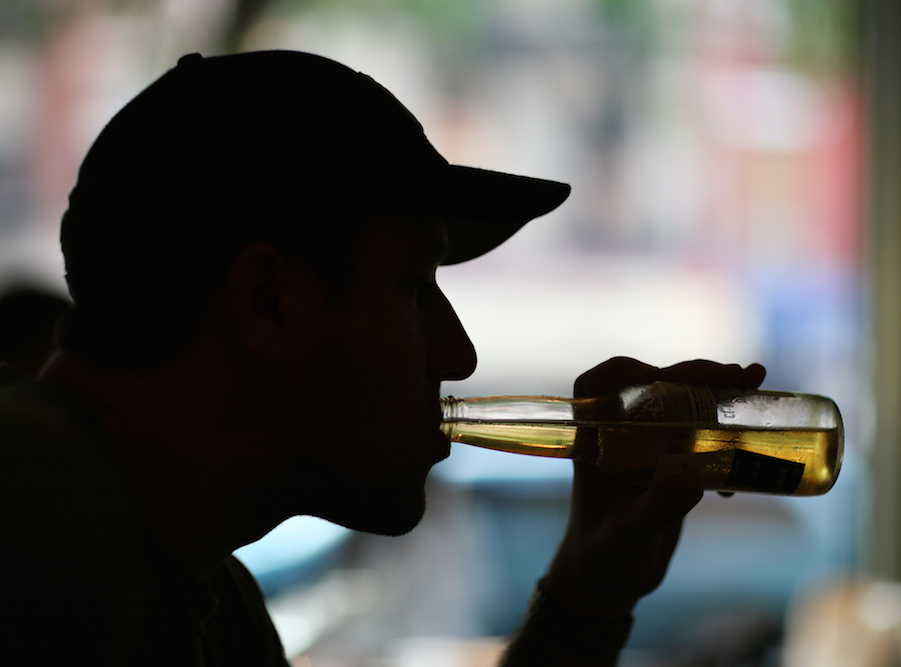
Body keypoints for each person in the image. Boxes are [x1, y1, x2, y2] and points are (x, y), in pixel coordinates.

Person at [0, 50, 765, 666]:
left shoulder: (202, 592)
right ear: (268, 303)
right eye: (413, 284)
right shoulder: (40, 526)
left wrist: (588, 595)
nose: (458, 353)